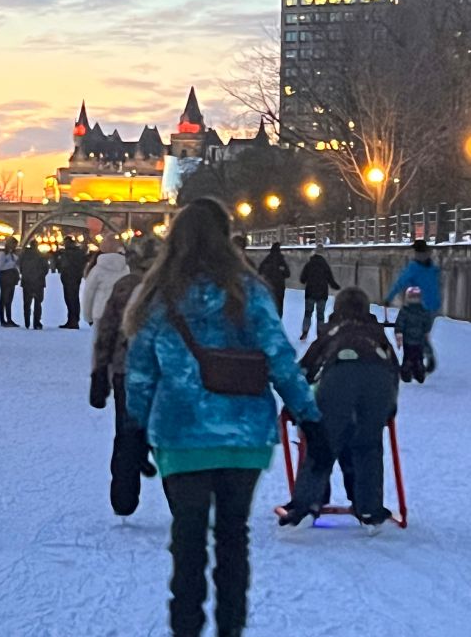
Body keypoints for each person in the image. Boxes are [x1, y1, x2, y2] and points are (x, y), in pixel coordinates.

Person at [124, 198, 325, 637]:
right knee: (234, 539)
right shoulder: (247, 291)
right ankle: (230, 630)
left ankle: (187, 630)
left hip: (179, 434)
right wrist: (309, 416)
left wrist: (134, 431)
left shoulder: (159, 295)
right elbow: (279, 357)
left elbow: (140, 371)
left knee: (188, 542)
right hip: (243, 435)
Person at [278, 287, 399, 532]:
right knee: (369, 445)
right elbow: (393, 369)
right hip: (380, 381)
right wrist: (389, 408)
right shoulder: (376, 331)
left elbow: (306, 368)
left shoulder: (332, 330)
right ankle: (370, 510)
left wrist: (295, 404)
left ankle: (305, 506)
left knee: (322, 440)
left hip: (339, 376)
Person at [90, 237, 159, 517]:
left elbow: (106, 332)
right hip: (164, 372)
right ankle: (181, 501)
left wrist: (99, 373)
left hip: (126, 369)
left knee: (126, 430)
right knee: (166, 431)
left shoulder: (124, 287)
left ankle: (124, 494)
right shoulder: (175, 289)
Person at [384, 239, 441, 372]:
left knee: (414, 334)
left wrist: (388, 298)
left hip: (418, 305)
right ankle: (424, 358)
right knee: (422, 333)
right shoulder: (432, 267)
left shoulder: (413, 268)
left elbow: (400, 283)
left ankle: (415, 361)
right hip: (434, 305)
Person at [81, 234, 130, 329]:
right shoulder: (126, 269)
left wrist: (88, 316)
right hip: (119, 312)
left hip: (100, 312)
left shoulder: (97, 270)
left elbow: (88, 294)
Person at [299, 243, 340, 341]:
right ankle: (320, 334)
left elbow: (302, 279)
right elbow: (331, 280)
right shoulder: (325, 265)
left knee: (308, 313)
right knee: (320, 315)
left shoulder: (309, 264)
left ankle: (305, 331)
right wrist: (337, 287)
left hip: (310, 293)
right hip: (322, 293)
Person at [395, 286, 433, 384]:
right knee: (418, 356)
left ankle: (406, 371)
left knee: (407, 356)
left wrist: (399, 335)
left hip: (408, 340)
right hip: (419, 341)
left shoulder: (405, 311)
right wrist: (426, 333)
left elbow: (399, 324)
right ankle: (419, 371)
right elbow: (427, 324)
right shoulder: (423, 311)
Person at [58, 236, 86, 328]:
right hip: (69, 278)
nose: (65, 245)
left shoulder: (73, 253)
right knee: (70, 300)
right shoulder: (75, 252)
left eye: (66, 243)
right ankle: (71, 320)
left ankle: (73, 321)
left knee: (72, 300)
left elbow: (71, 264)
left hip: (72, 278)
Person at [19, 242, 49, 329]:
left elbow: (20, 267)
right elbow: (45, 268)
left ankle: (27, 322)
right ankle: (37, 322)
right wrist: (40, 276)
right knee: (38, 303)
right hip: (38, 283)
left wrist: (25, 275)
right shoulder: (41, 256)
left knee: (26, 303)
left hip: (26, 282)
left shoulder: (24, 255)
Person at [257, 242, 290, 318]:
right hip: (280, 288)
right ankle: (278, 320)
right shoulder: (281, 260)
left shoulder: (267, 259)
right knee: (279, 307)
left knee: (270, 306)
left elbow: (259, 271)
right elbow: (288, 274)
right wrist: (281, 272)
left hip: (269, 287)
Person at [0, 236, 20, 327]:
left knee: (9, 299)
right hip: (5, 278)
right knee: (4, 299)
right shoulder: (2, 254)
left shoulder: (13, 255)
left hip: (11, 279)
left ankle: (9, 319)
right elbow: (1, 267)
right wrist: (13, 264)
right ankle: (3, 320)